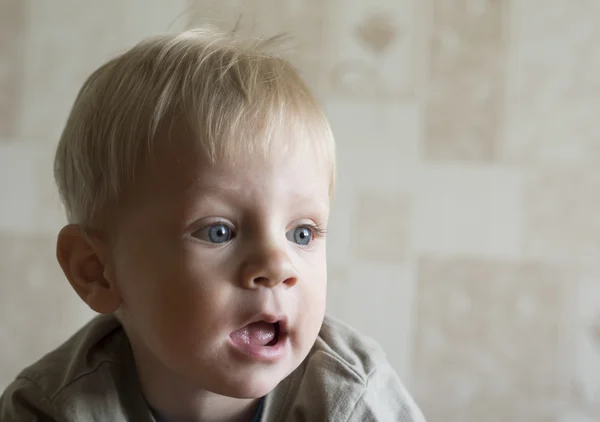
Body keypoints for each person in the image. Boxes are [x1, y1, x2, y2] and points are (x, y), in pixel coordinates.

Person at [0, 27, 425, 421]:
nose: (278, 267)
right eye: (218, 231)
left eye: (302, 233)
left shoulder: (350, 399)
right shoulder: (52, 408)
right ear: (95, 270)